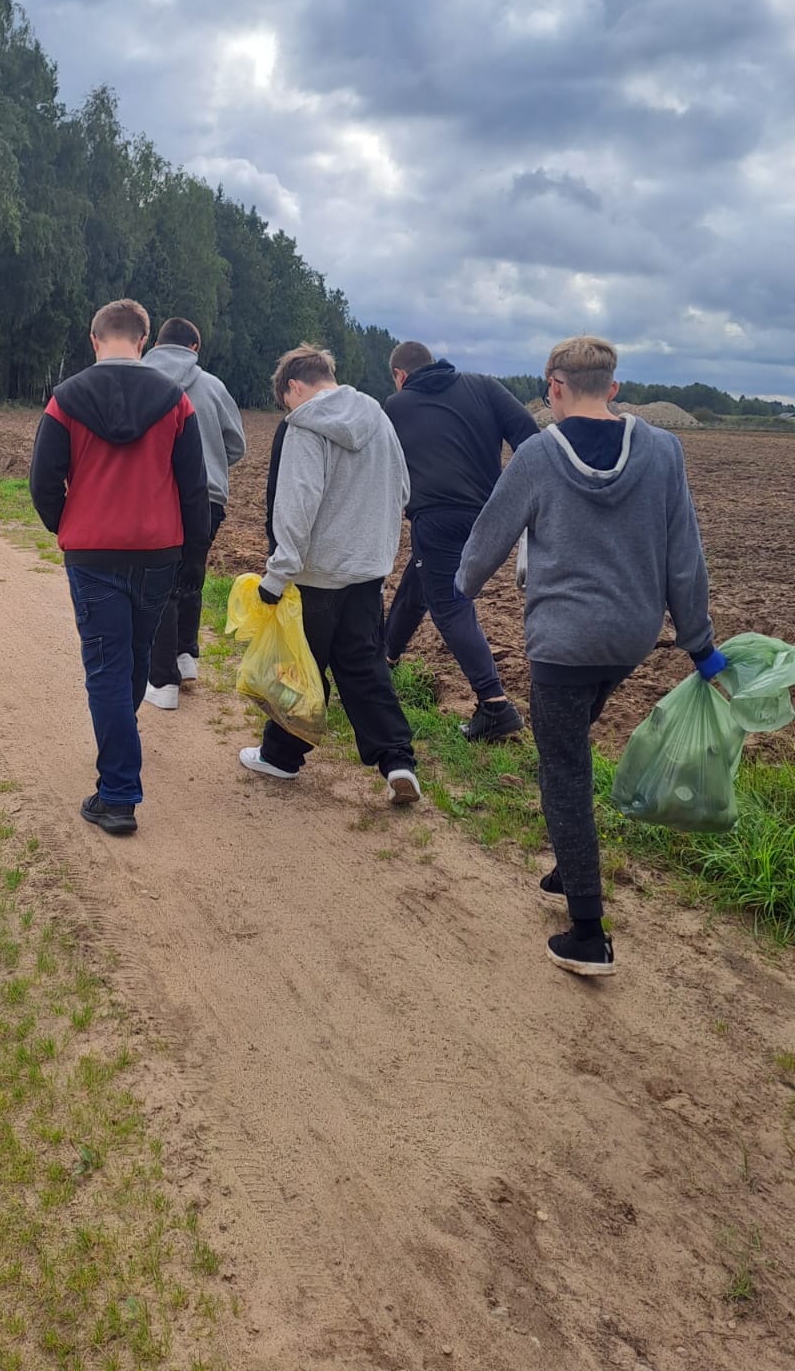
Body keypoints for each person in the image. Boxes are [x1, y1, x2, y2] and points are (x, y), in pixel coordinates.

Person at [457, 335, 723, 977]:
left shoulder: (538, 456)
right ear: (613, 387)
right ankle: (570, 862)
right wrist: (700, 645)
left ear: (554, 388)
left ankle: (587, 933)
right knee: (570, 741)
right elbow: (684, 556)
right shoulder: (663, 451)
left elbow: (488, 539)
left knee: (564, 769)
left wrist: (461, 584)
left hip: (564, 643)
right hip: (630, 640)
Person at [29, 298, 210, 837]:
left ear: (94, 339)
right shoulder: (176, 400)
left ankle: (117, 794)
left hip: (94, 553)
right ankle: (119, 755)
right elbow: (194, 488)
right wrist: (193, 557)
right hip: (158, 553)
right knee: (134, 658)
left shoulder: (65, 399)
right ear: (143, 340)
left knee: (108, 668)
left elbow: (43, 481)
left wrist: (69, 523)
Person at [240, 344, 421, 804]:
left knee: (297, 669)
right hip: (367, 573)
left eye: (287, 401)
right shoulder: (379, 418)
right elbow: (402, 489)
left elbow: (296, 505)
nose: (289, 410)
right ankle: (397, 762)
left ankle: (281, 757)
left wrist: (277, 576)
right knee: (365, 668)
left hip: (315, 577)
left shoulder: (304, 426)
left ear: (294, 387)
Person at [383, 340, 539, 742]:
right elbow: (530, 437)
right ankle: (385, 658)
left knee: (450, 605)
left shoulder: (395, 407)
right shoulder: (484, 386)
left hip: (435, 518)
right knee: (419, 584)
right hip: (489, 519)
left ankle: (495, 705)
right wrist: (516, 497)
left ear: (400, 375)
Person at [141, 316, 246, 707]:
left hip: (156, 495)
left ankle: (163, 682)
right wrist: (210, 463)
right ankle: (186, 658)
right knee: (190, 576)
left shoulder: (139, 382)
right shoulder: (214, 387)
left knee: (160, 584)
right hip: (208, 498)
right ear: (195, 348)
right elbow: (236, 446)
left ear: (155, 344)